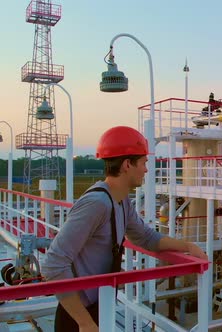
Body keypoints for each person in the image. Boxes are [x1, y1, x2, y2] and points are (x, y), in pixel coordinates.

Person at [42, 126, 208, 332]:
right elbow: (53, 264)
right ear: (127, 164)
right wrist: (85, 323)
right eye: (144, 163)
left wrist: (188, 246)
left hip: (99, 305)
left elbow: (146, 238)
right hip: (79, 315)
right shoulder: (97, 203)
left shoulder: (120, 202)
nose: (147, 170)